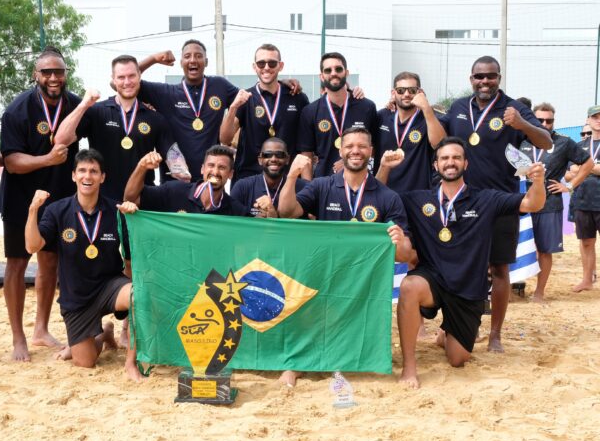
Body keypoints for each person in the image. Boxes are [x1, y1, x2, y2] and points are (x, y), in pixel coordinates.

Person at [397, 137, 546, 388]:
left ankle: (446, 335)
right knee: (409, 285)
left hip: (468, 289)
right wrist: (386, 167)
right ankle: (409, 367)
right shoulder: (418, 199)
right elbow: (379, 199)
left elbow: (533, 203)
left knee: (458, 358)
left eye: (456, 157)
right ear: (436, 166)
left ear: (466, 163)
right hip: (433, 279)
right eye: (444, 158)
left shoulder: (486, 199)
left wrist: (538, 181)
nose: (450, 162)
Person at [277, 127, 412, 386]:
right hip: (324, 271)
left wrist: (398, 240)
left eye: (362, 146)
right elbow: (287, 212)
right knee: (303, 301)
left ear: (371, 152)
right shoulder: (321, 185)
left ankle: (354, 359)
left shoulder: (388, 197)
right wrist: (292, 176)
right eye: (350, 146)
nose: (355, 151)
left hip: (363, 279)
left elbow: (404, 255)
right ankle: (294, 365)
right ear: (341, 151)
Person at [438, 56, 551, 353]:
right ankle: (451, 326)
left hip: (501, 201)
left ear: (499, 77)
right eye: (479, 76)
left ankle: (495, 335)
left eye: (490, 76)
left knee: (499, 268)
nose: (484, 82)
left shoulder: (514, 108)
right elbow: (438, 137)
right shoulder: (459, 107)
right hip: (461, 200)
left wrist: (523, 123)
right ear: (471, 77)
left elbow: (546, 142)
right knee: (456, 267)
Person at [25, 149, 143, 381]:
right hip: (77, 297)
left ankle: (131, 364)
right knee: (85, 362)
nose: (87, 176)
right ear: (73, 176)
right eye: (82, 171)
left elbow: (133, 258)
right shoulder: (57, 210)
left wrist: (134, 216)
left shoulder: (116, 211)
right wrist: (32, 210)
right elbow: (32, 246)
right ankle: (104, 333)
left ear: (102, 177)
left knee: (139, 295)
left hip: (110, 286)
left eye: (93, 171)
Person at [0, 46, 81, 361]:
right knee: (17, 264)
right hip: (21, 199)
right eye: (46, 72)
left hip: (60, 198)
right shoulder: (17, 110)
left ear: (65, 73)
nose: (53, 77)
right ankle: (19, 338)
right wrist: (48, 158)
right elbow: (12, 162)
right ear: (36, 75)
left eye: (59, 71)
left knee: (50, 263)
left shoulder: (74, 105)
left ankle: (41, 330)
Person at [54, 54, 174, 201]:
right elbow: (61, 140)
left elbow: (173, 159)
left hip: (140, 201)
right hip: (102, 203)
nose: (127, 82)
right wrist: (83, 104)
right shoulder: (96, 111)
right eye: (121, 77)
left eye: (132, 76)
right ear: (113, 79)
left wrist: (183, 173)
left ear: (139, 76)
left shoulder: (155, 118)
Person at [518, 102, 593, 302]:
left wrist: (569, 186)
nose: (544, 124)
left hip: (549, 203)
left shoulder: (563, 142)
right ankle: (513, 289)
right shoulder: (520, 139)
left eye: (549, 120)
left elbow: (588, 163)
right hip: (521, 203)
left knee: (545, 249)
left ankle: (539, 292)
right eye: (540, 120)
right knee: (515, 248)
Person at [136, 40, 239, 180]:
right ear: (181, 62)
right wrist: (153, 59)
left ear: (206, 61)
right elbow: (121, 82)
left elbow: (248, 100)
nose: (193, 60)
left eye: (198, 56)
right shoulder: (167, 93)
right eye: (187, 56)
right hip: (176, 182)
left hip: (209, 179)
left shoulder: (220, 86)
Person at [219, 44, 310, 181]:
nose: (266, 67)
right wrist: (232, 108)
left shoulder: (297, 98)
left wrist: (306, 184)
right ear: (254, 67)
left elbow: (306, 144)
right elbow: (225, 139)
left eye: (272, 63)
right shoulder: (246, 98)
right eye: (261, 63)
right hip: (250, 177)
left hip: (286, 178)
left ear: (281, 66)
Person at [297, 52, 380, 179]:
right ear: (322, 76)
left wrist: (350, 161)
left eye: (338, 69)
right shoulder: (310, 111)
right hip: (323, 184)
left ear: (346, 73)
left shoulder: (367, 107)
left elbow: (374, 149)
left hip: (359, 184)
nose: (333, 73)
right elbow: (306, 155)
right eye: (328, 70)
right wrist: (308, 189)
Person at [124, 144, 250, 216]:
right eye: (211, 166)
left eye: (222, 167)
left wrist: (270, 213)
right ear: (202, 169)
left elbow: (258, 235)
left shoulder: (236, 211)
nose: (215, 172)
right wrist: (141, 166)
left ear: (231, 174)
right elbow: (131, 198)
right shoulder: (174, 191)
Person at [374, 72, 446, 192]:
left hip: (418, 195)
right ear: (393, 93)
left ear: (419, 92)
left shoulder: (429, 118)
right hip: (385, 194)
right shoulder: (382, 116)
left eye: (412, 90)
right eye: (401, 90)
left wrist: (426, 108)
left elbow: (440, 145)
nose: (406, 94)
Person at [230, 138, 307, 218]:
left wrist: (274, 215)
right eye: (267, 155)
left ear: (287, 159)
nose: (273, 159)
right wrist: (253, 218)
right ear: (260, 160)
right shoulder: (242, 187)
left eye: (279, 155)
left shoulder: (303, 187)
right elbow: (231, 222)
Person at [568, 106, 600, 293]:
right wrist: (593, 167)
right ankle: (587, 279)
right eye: (594, 117)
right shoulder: (579, 146)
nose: (598, 120)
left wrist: (584, 167)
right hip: (582, 201)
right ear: (588, 120)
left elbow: (577, 170)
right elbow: (570, 173)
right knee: (586, 242)